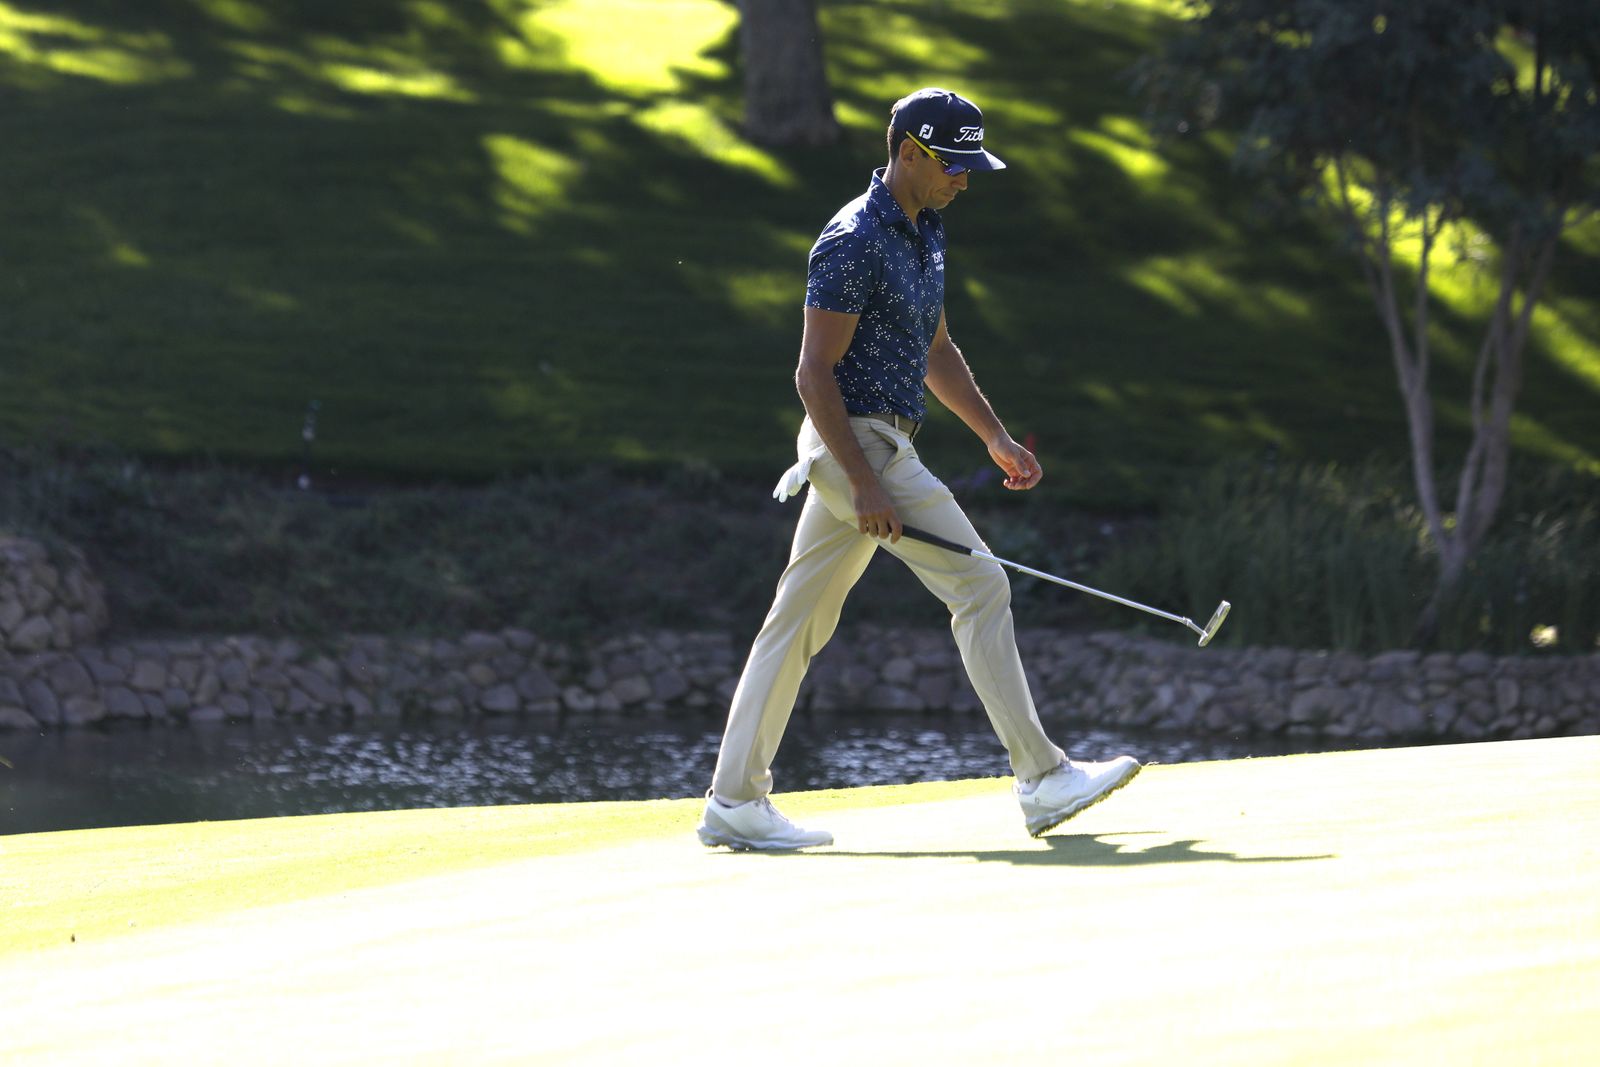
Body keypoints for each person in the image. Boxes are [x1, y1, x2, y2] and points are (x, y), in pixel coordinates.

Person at [697, 88, 1140, 851]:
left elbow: (937, 351)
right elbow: (812, 374)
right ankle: (1042, 777)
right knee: (982, 583)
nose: (964, 181)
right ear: (909, 153)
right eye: (954, 167)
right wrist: (864, 481)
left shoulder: (925, 231)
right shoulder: (853, 238)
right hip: (857, 446)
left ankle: (734, 800)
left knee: (795, 621)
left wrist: (994, 437)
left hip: (881, 445)